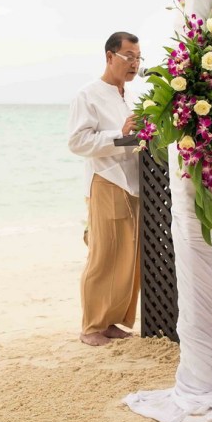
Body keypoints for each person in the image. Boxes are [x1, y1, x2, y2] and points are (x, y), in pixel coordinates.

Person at [66, 32, 141, 346]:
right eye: (128, 56)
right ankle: (91, 326)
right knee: (104, 255)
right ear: (110, 57)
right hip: (107, 181)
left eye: (138, 58)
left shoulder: (131, 97)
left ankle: (113, 321)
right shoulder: (89, 94)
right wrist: (119, 134)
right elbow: (77, 141)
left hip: (136, 184)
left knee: (129, 256)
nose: (134, 64)